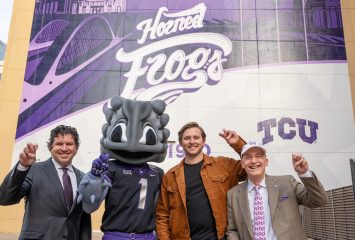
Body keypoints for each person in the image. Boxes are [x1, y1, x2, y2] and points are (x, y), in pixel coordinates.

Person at [155, 122, 247, 240]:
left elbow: (250, 168)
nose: (192, 141)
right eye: (187, 138)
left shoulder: (224, 165)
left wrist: (238, 144)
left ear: (203, 141)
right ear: (181, 143)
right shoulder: (170, 176)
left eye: (196, 137)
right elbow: (162, 216)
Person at [0, 125, 91, 240]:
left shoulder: (83, 178)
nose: (64, 148)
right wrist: (23, 166)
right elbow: (5, 198)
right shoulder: (33, 170)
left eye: (69, 144)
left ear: (76, 148)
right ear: (50, 148)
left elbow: (84, 220)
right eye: (59, 144)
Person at [226, 141, 328, 240]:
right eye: (248, 157)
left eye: (258, 156)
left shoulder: (287, 182)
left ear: (266, 161)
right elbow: (232, 230)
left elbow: (319, 200)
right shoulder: (233, 195)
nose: (253, 161)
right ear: (242, 164)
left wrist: (304, 173)